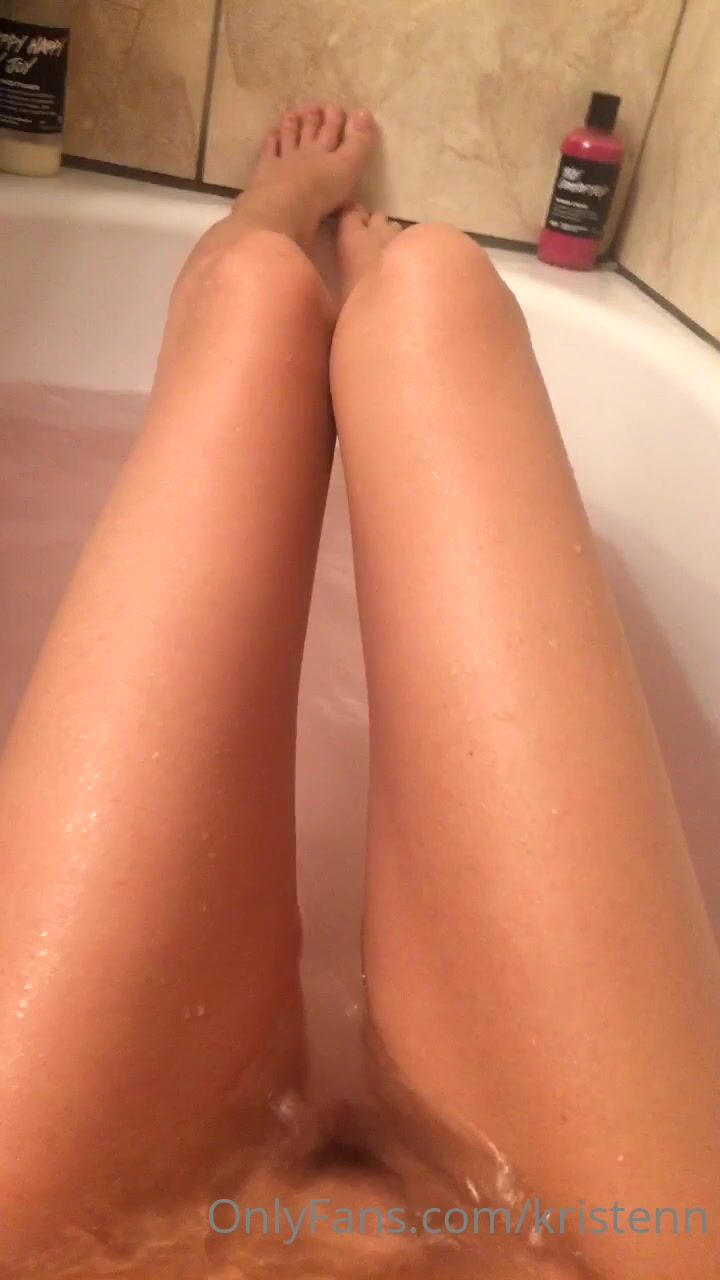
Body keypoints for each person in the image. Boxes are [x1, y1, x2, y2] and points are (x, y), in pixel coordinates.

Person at [0, 104, 718, 1280]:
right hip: (609, 1254)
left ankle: (268, 233)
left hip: (66, 1247)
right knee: (441, 296)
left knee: (257, 308)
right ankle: (352, 280)